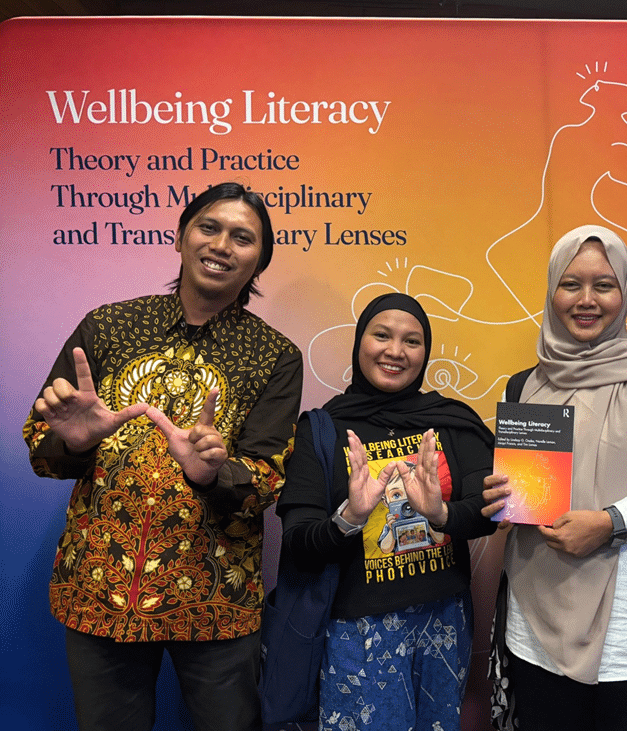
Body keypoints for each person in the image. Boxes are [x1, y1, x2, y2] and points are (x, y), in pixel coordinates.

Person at [23, 182, 303, 731]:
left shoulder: (275, 356)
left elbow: (269, 479)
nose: (221, 245)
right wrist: (74, 441)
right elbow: (41, 446)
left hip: (216, 594)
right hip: (101, 584)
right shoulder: (107, 327)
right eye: (209, 228)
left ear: (259, 262)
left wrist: (214, 473)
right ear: (180, 237)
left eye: (242, 238)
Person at [482, 225, 627, 731]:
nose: (586, 300)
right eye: (570, 284)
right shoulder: (524, 386)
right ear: (552, 291)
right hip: (536, 631)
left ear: (624, 292)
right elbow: (525, 493)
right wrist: (503, 500)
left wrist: (612, 522)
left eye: (604, 285)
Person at [277, 292, 499, 731]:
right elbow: (298, 540)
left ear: (425, 352)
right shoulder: (322, 428)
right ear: (360, 341)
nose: (395, 351)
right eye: (382, 335)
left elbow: (488, 510)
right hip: (356, 633)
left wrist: (440, 514)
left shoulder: (451, 421)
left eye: (411, 341)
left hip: (443, 624)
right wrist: (350, 518)